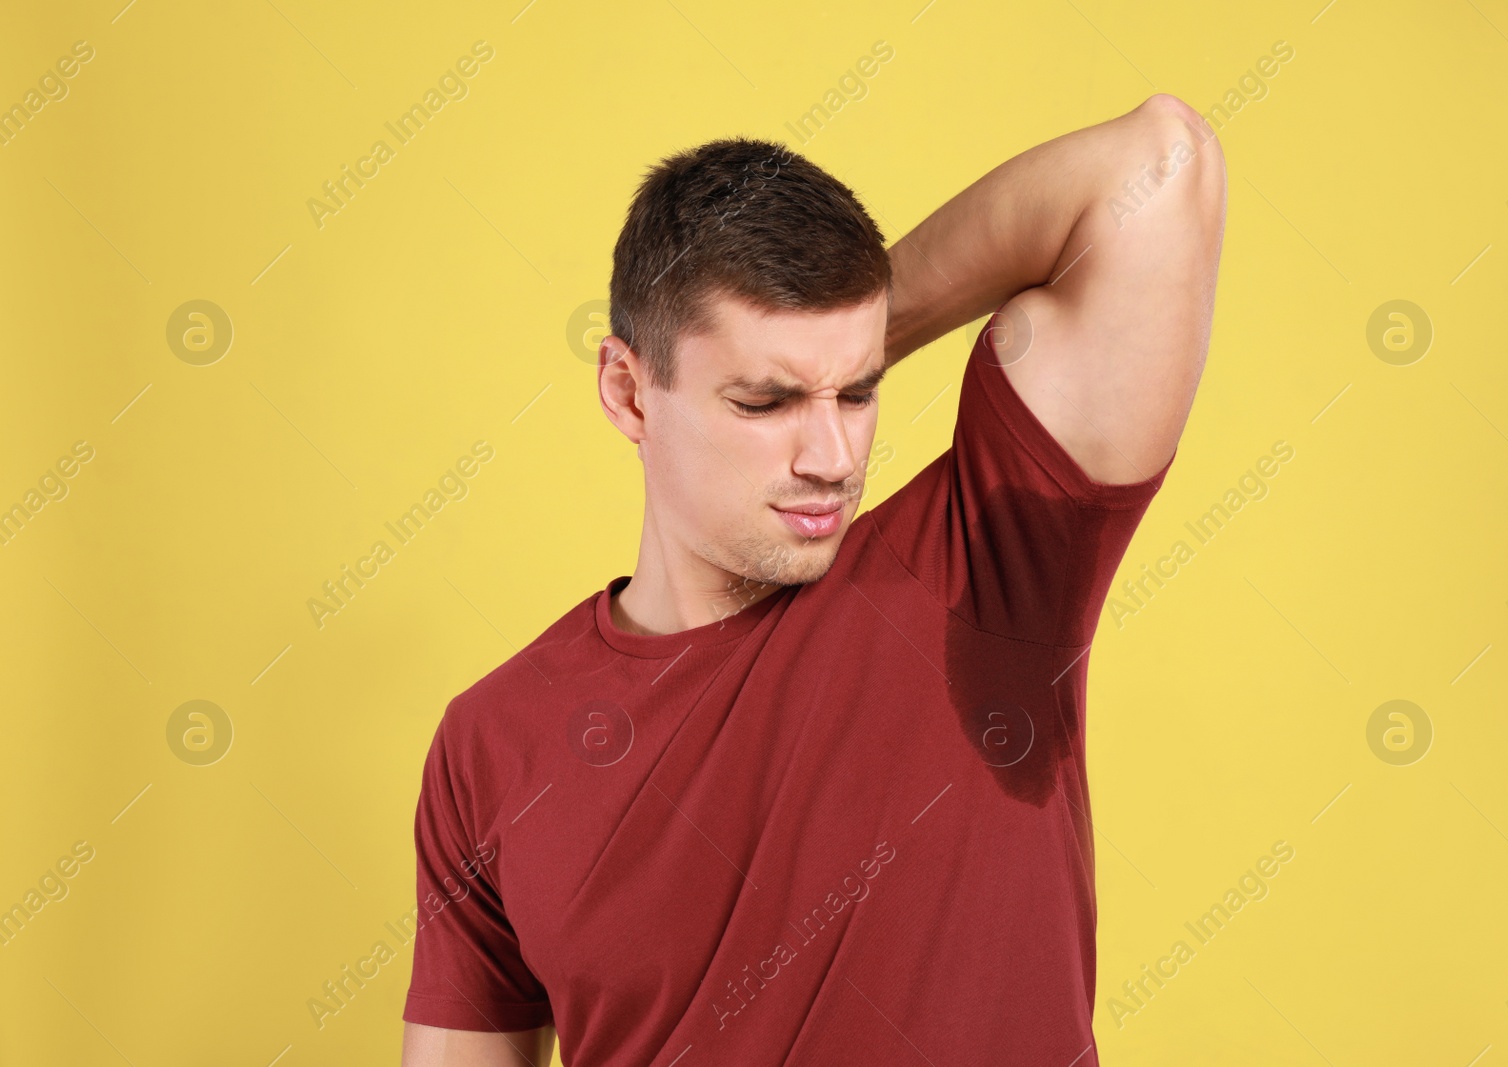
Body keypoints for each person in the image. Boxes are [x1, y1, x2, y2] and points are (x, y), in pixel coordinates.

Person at [400, 92, 1224, 1066]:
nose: (833, 455)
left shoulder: (986, 573)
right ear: (629, 390)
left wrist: (858, 326)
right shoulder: (490, 742)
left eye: (859, 389)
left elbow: (1164, 167)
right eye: (767, 398)